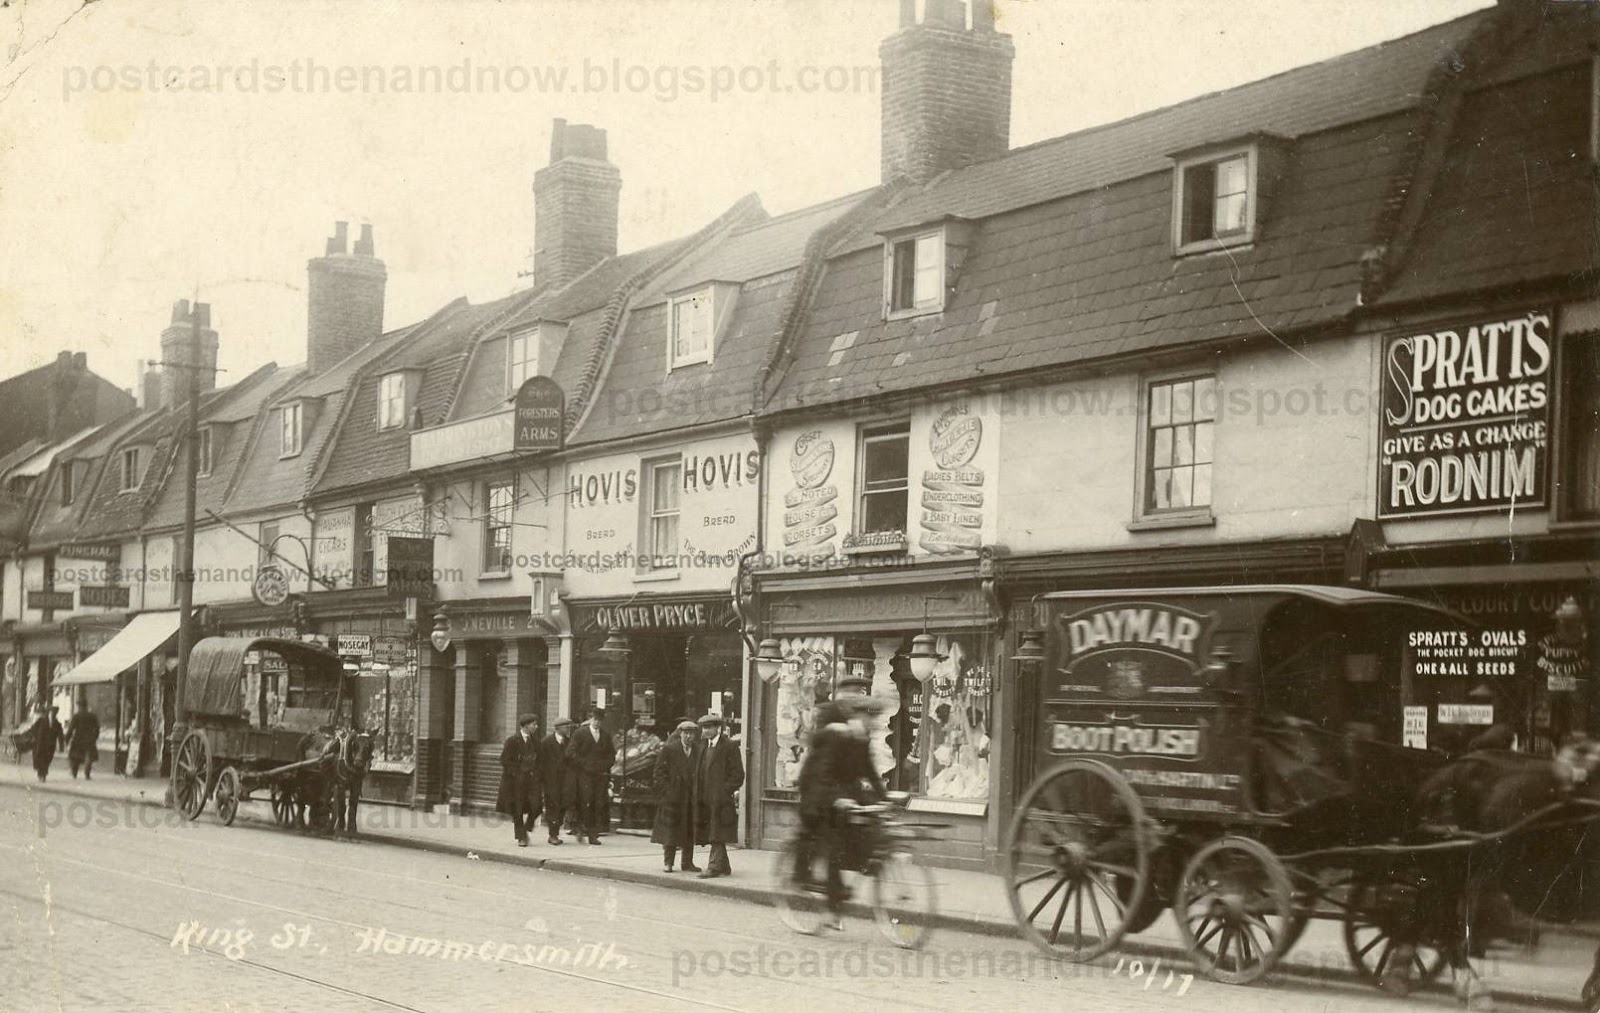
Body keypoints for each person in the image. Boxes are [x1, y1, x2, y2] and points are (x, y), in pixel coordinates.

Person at [795, 679, 885, 927]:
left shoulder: (860, 735)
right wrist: (837, 798)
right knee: (831, 843)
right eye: (870, 717)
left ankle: (850, 879)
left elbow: (869, 769)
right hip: (818, 791)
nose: (874, 724)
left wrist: (886, 798)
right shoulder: (835, 730)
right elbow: (822, 769)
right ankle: (831, 904)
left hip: (843, 789)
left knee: (866, 831)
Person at [694, 712, 743, 879]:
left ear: (718, 728)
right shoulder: (703, 746)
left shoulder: (729, 746)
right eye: (704, 727)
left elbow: (738, 774)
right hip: (706, 798)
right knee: (714, 831)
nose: (706, 731)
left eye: (709, 727)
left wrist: (725, 790)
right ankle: (724, 866)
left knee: (716, 832)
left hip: (721, 799)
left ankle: (714, 867)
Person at [651, 720, 700, 873]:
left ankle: (687, 863)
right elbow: (658, 772)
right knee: (671, 831)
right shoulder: (669, 749)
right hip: (673, 797)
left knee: (689, 830)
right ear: (680, 733)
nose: (689, 737)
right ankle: (668, 862)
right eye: (686, 733)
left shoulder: (698, 750)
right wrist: (667, 791)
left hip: (690, 797)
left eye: (691, 733)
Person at [497, 714, 544, 847]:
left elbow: (540, 759)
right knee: (517, 809)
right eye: (533, 724)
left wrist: (537, 773)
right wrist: (517, 771)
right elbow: (504, 760)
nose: (536, 727)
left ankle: (527, 827)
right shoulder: (512, 740)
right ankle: (521, 837)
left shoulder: (536, 741)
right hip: (516, 781)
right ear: (525, 725)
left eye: (536, 724)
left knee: (537, 806)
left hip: (532, 780)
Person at [567, 708, 614, 844]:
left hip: (600, 775)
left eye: (600, 720)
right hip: (584, 775)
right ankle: (581, 827)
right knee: (585, 802)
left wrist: (605, 765)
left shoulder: (605, 735)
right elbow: (570, 752)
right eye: (595, 719)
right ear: (590, 719)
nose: (597, 723)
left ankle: (593, 835)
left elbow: (611, 754)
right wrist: (584, 764)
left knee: (597, 803)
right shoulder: (580, 733)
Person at [539, 717, 579, 846]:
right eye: (565, 726)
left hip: (566, 781)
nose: (568, 728)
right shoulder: (546, 742)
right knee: (552, 807)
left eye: (568, 726)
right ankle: (553, 834)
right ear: (557, 728)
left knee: (563, 806)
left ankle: (556, 831)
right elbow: (540, 762)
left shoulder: (569, 742)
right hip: (551, 781)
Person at [64, 706, 101, 780]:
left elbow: (71, 728)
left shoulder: (76, 716)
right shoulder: (92, 716)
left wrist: (67, 739)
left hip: (78, 738)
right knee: (88, 756)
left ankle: (74, 773)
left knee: (75, 756)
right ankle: (87, 774)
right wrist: (95, 737)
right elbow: (97, 728)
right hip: (89, 739)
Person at [30, 706, 64, 783]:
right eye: (52, 713)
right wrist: (32, 738)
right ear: (49, 712)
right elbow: (33, 729)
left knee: (47, 760)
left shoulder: (57, 724)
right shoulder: (41, 721)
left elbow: (60, 736)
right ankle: (42, 775)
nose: (53, 715)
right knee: (41, 759)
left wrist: (61, 747)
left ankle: (42, 774)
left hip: (50, 746)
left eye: (55, 713)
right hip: (40, 744)